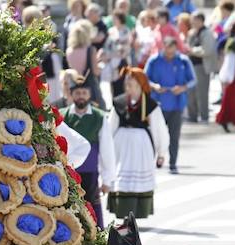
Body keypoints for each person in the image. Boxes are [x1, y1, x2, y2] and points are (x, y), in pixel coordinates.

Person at [107, 68, 168, 220]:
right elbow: (110, 127)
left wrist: (161, 152)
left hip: (142, 148)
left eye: (132, 85)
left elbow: (159, 129)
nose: (129, 88)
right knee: (122, 178)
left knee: (138, 179)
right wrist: (106, 150)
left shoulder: (151, 106)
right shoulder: (119, 103)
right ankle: (123, 211)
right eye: (127, 85)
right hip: (121, 147)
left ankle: (137, 212)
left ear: (141, 86)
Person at [63, 76, 115, 227]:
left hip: (90, 174)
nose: (81, 96)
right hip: (67, 172)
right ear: (71, 95)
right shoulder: (62, 116)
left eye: (84, 93)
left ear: (90, 95)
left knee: (92, 208)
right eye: (77, 93)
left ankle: (96, 242)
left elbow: (107, 149)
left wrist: (107, 179)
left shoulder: (99, 117)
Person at [145, 37, 196, 174]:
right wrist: (154, 86)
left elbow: (193, 80)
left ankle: (173, 163)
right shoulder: (154, 60)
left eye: (173, 50)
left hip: (176, 105)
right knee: (155, 134)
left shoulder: (183, 61)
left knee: (174, 136)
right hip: (158, 105)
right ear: (164, 47)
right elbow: (144, 78)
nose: (170, 53)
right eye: (167, 49)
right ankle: (155, 160)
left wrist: (183, 87)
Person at [186, 10, 217, 123]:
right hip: (191, 66)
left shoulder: (207, 33)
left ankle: (204, 116)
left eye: (194, 19)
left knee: (202, 93)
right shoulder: (191, 33)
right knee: (190, 93)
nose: (192, 22)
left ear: (200, 20)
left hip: (202, 67)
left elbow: (207, 50)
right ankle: (192, 116)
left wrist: (192, 50)